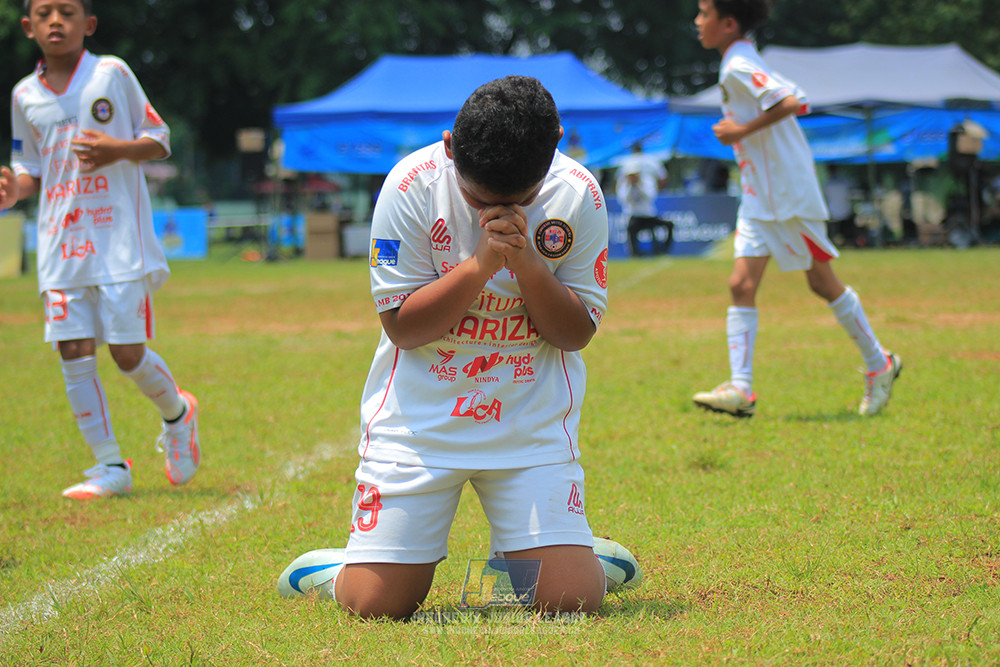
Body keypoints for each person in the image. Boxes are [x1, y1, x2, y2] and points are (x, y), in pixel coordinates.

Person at [276, 76, 641, 619]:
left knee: (571, 601)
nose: (497, 213)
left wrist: (528, 265)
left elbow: (575, 333)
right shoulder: (410, 185)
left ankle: (547, 558)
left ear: (557, 145)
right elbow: (403, 327)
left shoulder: (579, 191)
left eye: (521, 200)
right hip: (420, 428)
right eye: (477, 199)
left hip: (528, 428)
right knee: (378, 607)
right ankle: (340, 570)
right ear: (449, 146)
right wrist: (480, 266)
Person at [0, 0, 200, 499]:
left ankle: (178, 414)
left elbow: (158, 138)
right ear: (28, 27)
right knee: (72, 351)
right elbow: (29, 170)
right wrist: (13, 190)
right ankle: (109, 465)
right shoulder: (24, 94)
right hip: (60, 245)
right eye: (44, 13)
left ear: (87, 24)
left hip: (118, 243)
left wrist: (116, 150)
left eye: (66, 12)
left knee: (127, 355)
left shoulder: (111, 74)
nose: (55, 22)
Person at [690, 0, 902, 418]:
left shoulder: (738, 65)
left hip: (785, 196)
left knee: (822, 282)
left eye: (704, 14)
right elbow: (793, 94)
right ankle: (741, 391)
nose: (697, 22)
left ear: (728, 23)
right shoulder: (739, 59)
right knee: (741, 285)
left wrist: (739, 131)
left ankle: (880, 364)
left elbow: (791, 101)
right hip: (759, 197)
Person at [616, 162, 673, 256]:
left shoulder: (647, 181)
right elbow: (623, 200)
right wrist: (630, 186)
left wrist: (639, 185)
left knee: (669, 225)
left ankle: (663, 249)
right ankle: (635, 252)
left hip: (648, 215)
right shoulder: (623, 184)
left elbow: (651, 197)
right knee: (631, 228)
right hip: (634, 216)